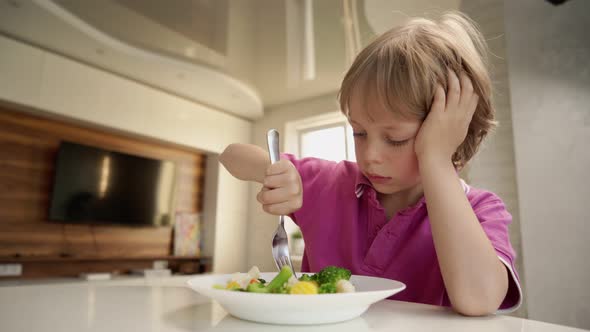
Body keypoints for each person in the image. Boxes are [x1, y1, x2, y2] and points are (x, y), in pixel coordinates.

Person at [219, 11, 521, 316]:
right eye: (359, 132)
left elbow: (479, 299)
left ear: (452, 134)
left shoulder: (481, 210)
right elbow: (231, 155)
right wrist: (273, 171)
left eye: (395, 138)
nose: (370, 155)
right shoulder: (328, 183)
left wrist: (437, 161)